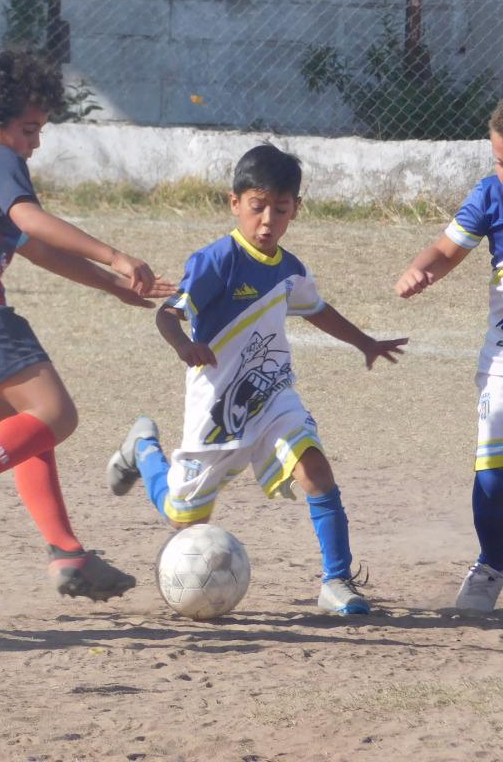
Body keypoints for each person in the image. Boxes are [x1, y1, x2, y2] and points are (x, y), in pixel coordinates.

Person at [0, 47, 173, 601]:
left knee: (27, 434)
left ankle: (67, 554)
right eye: (27, 129)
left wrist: (112, 286)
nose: (34, 143)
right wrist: (118, 257)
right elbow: (31, 220)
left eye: (40, 129)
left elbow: (33, 247)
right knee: (56, 414)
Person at [108, 143, 406, 615]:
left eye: (280, 209)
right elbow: (168, 316)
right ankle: (143, 447)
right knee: (182, 516)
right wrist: (184, 345)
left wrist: (364, 342)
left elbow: (317, 310)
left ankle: (336, 581)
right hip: (216, 414)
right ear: (235, 204)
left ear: (295, 210)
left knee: (316, 471)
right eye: (257, 207)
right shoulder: (215, 261)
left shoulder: (289, 270)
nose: (268, 220)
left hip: (271, 400)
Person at [395, 98, 503, 612]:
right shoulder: (490, 194)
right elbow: (444, 250)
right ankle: (491, 565)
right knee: (492, 470)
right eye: (500, 159)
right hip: (502, 353)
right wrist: (421, 270)